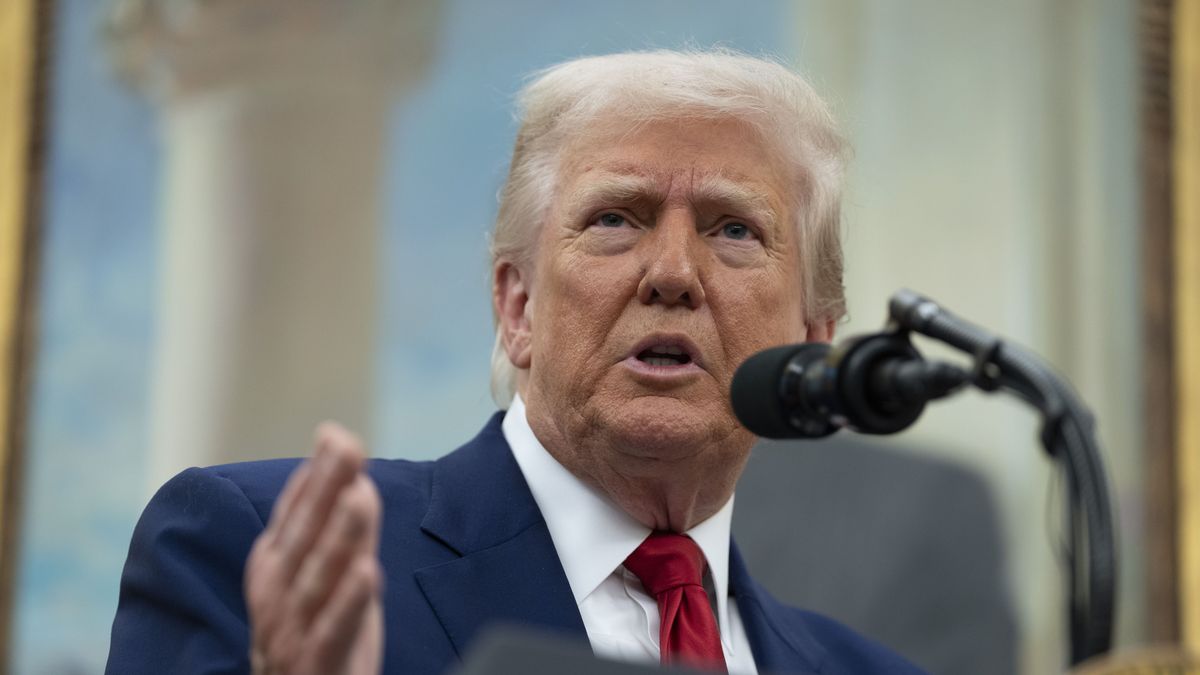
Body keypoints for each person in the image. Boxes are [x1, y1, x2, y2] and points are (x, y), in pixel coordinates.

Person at [106, 50, 926, 674]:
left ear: (813, 343)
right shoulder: (251, 550)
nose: (673, 272)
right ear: (518, 305)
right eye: (615, 218)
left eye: (734, 229)